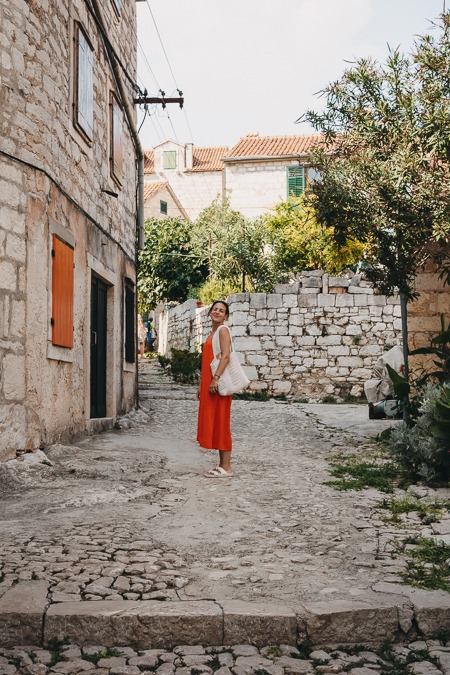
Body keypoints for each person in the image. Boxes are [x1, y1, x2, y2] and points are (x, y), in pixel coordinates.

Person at [196, 300, 233, 477]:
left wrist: (215, 379)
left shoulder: (223, 331)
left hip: (218, 383)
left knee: (222, 422)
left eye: (221, 310)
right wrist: (201, 384)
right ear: (210, 312)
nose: (217, 312)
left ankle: (226, 467)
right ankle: (222, 465)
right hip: (210, 384)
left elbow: (225, 357)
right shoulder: (212, 333)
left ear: (226, 316)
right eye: (215, 309)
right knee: (216, 421)